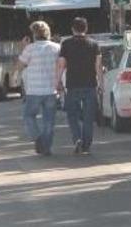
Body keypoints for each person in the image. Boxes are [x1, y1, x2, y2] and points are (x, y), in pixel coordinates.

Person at [56, 17, 102, 154]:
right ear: (86, 28)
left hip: (72, 85)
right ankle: (86, 144)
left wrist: (57, 81)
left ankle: (77, 138)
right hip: (90, 85)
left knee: (72, 115)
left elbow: (61, 65)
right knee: (88, 117)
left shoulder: (66, 44)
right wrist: (101, 83)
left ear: (73, 29)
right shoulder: (94, 44)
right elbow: (98, 66)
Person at [17, 21, 61, 156]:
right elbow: (61, 66)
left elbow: (19, 66)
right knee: (49, 121)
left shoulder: (30, 49)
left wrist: (23, 47)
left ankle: (38, 139)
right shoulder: (57, 48)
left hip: (34, 90)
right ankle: (46, 148)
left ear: (34, 34)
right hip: (51, 90)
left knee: (28, 116)